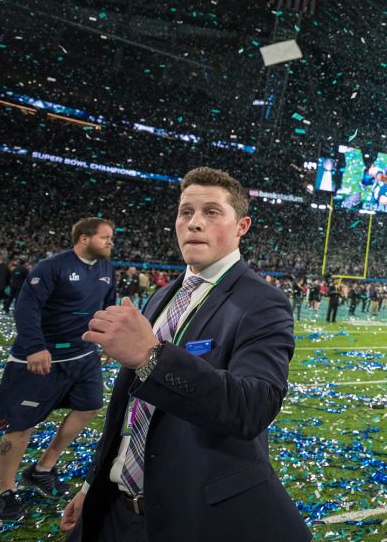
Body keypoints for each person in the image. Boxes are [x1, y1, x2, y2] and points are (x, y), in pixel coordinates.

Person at [60, 167, 310, 542]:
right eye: (185, 212)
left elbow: (253, 408)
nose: (194, 223)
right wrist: (92, 484)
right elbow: (130, 411)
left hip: (190, 516)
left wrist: (150, 355)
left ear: (242, 226)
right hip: (116, 509)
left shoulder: (262, 302)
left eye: (211, 212)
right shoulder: (163, 295)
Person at [0, 219, 117, 520]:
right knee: (20, 425)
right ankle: (2, 492)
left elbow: (107, 307)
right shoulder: (52, 266)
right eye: (105, 238)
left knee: (90, 406)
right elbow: (26, 306)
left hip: (84, 355)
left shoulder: (107, 269)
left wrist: (107, 340)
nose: (111, 243)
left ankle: (42, 468)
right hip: (42, 356)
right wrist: (33, 347)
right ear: (84, 239)